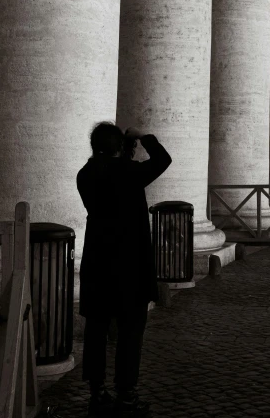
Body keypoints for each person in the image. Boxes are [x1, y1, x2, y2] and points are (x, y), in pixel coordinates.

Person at [77, 122, 172, 417]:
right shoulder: (130, 173)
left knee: (96, 331)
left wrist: (122, 150)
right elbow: (163, 160)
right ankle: (126, 393)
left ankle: (97, 392)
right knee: (130, 334)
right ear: (120, 146)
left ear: (94, 146)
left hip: (97, 264)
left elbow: (108, 173)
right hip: (131, 267)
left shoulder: (85, 174)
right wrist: (143, 137)